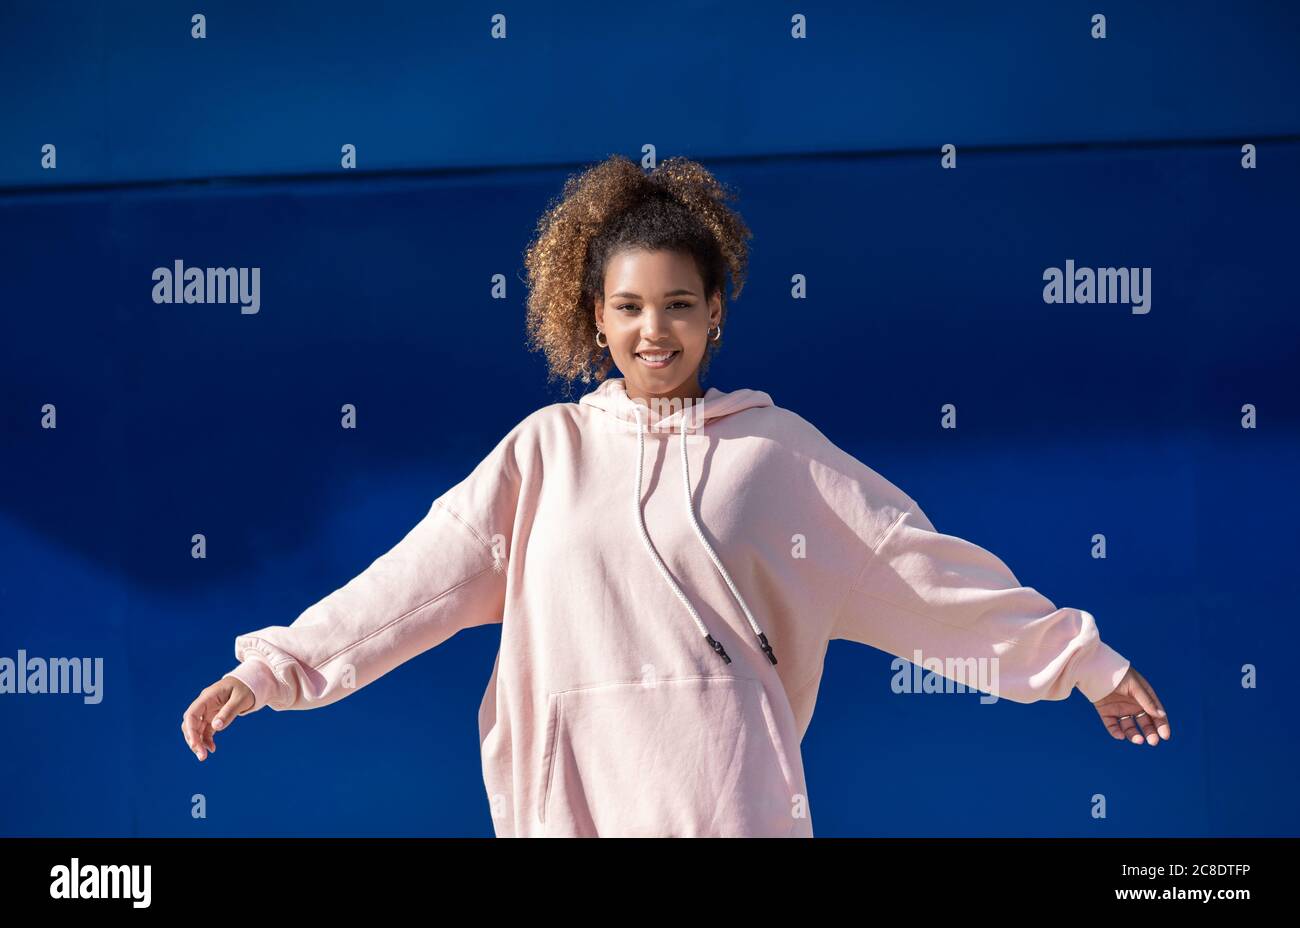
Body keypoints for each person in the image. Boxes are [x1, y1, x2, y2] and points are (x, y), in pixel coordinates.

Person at [181, 154, 1171, 837]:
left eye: (677, 305)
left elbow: (920, 573)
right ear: (594, 317)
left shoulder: (776, 457)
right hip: (567, 806)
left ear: (715, 313)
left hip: (728, 805)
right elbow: (410, 587)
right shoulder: (543, 454)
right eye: (628, 307)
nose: (653, 329)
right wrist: (273, 670)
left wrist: (1079, 660)